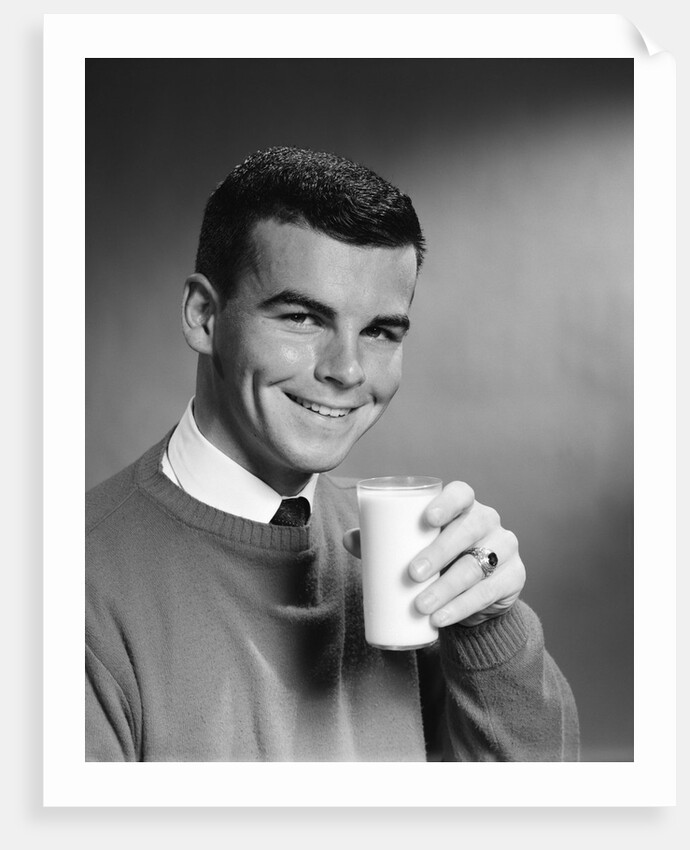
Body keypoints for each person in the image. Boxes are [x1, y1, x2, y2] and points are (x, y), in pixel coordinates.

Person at [86, 146, 580, 762]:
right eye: (301, 317)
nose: (347, 370)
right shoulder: (66, 586)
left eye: (379, 331)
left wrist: (490, 629)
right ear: (204, 316)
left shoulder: (418, 563)